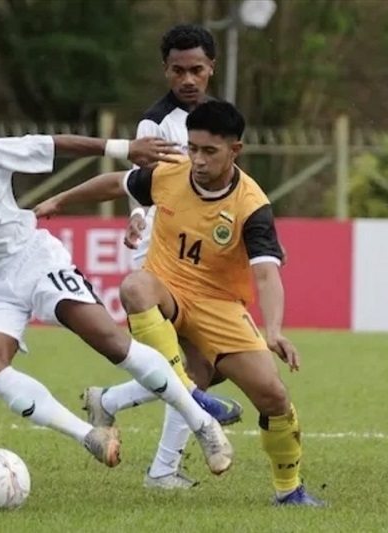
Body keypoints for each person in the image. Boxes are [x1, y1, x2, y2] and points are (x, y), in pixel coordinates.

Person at [0, 101, 234, 473]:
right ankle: (91, 437)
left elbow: (51, 144)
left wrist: (123, 148)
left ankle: (202, 423)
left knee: (110, 341)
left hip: (34, 261)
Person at [34, 100, 324, 506]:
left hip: (220, 306)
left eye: (210, 151)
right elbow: (116, 183)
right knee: (135, 286)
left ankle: (289, 491)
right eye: (193, 148)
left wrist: (273, 328)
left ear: (235, 151)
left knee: (274, 397)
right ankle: (189, 395)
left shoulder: (252, 205)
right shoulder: (170, 174)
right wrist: (59, 201)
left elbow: (265, 273)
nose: (198, 160)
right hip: (165, 292)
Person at [83, 24, 243, 489]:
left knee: (198, 368)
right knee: (194, 368)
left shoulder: (221, 119)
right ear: (165, 71)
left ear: (212, 68)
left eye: (197, 69)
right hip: (159, 256)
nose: (188, 79)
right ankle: (162, 469)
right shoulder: (156, 122)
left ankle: (111, 403)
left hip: (199, 257)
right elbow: (141, 181)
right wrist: (136, 216)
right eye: (178, 70)